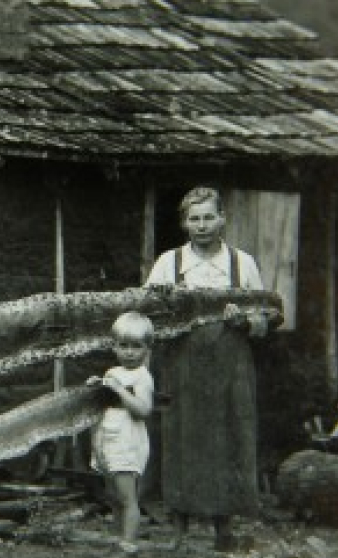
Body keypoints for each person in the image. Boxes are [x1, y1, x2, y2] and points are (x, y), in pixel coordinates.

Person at [142, 186, 271, 553]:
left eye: (208, 217)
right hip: (183, 364)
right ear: (184, 223)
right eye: (194, 219)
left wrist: (243, 320)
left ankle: (223, 527)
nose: (202, 226)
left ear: (222, 219)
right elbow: (148, 314)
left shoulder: (241, 263)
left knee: (229, 436)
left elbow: (263, 319)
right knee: (181, 439)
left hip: (231, 365)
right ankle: (179, 528)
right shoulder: (169, 263)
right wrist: (175, 314)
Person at [87, 312, 157, 555]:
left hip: (128, 440)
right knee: (114, 496)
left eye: (136, 347)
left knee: (127, 497)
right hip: (108, 438)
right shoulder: (112, 372)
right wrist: (100, 385)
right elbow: (102, 404)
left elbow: (144, 410)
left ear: (147, 348)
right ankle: (118, 540)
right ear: (114, 346)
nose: (129, 352)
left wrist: (119, 391)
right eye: (123, 346)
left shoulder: (142, 377)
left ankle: (129, 544)